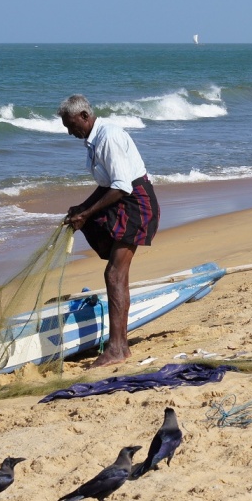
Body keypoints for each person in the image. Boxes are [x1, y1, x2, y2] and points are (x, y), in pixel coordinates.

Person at [59, 94, 160, 367]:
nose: (70, 132)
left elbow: (120, 187)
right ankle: (120, 346)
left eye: (71, 125)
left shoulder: (108, 137)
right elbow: (106, 187)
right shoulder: (94, 139)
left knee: (114, 274)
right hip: (123, 200)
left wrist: (87, 213)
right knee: (117, 272)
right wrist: (81, 208)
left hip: (136, 205)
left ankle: (117, 348)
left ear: (84, 116)